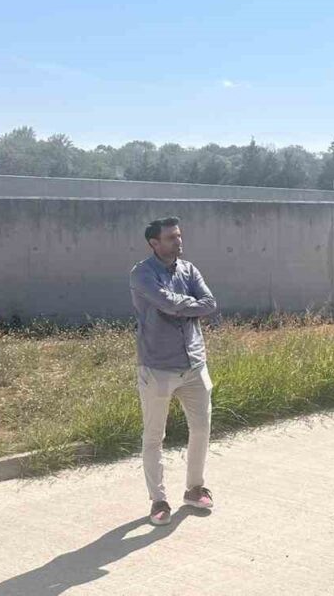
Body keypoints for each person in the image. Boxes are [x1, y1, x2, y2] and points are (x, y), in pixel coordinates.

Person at [128, 216, 219, 527]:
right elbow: (165, 304)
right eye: (170, 238)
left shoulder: (189, 269)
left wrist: (181, 305)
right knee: (154, 436)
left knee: (202, 429)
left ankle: (195, 489)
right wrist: (186, 304)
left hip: (195, 363)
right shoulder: (142, 274)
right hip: (158, 366)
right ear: (154, 243)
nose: (178, 242)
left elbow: (209, 303)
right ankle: (159, 500)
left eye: (179, 236)